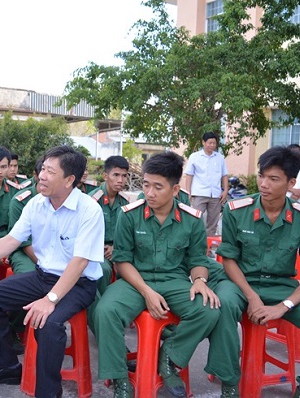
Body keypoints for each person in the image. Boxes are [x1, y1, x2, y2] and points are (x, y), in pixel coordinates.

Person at [205, 146, 300, 398]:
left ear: (291, 182)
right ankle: (229, 384)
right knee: (223, 303)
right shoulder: (238, 209)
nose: (264, 184)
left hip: (282, 287)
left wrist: (283, 306)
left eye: (273, 179)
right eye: (262, 176)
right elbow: (228, 260)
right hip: (240, 283)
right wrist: (251, 297)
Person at [0, 145, 104, 398]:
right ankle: (7, 366)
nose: (41, 175)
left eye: (50, 172)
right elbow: (12, 239)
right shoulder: (36, 204)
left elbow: (80, 262)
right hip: (43, 276)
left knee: (49, 323)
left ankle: (48, 392)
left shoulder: (89, 210)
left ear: (69, 179)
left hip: (77, 284)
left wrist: (50, 300)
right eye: (42, 169)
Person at [94, 152, 220, 398]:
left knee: (209, 309)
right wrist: (147, 292)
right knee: (105, 310)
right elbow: (122, 262)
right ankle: (120, 378)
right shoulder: (129, 214)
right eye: (145, 184)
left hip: (173, 281)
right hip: (134, 281)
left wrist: (199, 281)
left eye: (157, 187)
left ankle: (168, 359)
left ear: (175, 190)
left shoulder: (192, 220)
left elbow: (197, 260)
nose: (149, 192)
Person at [88, 155, 130, 298]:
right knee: (103, 269)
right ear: (106, 176)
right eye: (116, 175)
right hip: (96, 250)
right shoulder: (92, 200)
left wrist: (116, 249)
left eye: (124, 176)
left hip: (119, 249)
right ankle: (102, 306)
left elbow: (130, 232)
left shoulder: (126, 202)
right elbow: (85, 233)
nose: (120, 180)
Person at [184, 132, 229, 236]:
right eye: (209, 143)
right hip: (199, 193)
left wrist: (225, 190)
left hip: (215, 195)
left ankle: (209, 246)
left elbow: (224, 175)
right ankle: (194, 243)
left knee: (213, 222)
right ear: (203, 142)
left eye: (214, 143)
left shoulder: (220, 157)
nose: (212, 145)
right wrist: (188, 192)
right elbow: (189, 175)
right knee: (195, 219)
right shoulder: (195, 157)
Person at [7, 156, 43, 275]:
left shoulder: (59, 199)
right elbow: (23, 241)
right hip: (23, 250)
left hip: (49, 250)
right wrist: (44, 265)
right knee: (30, 275)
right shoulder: (21, 201)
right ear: (36, 176)